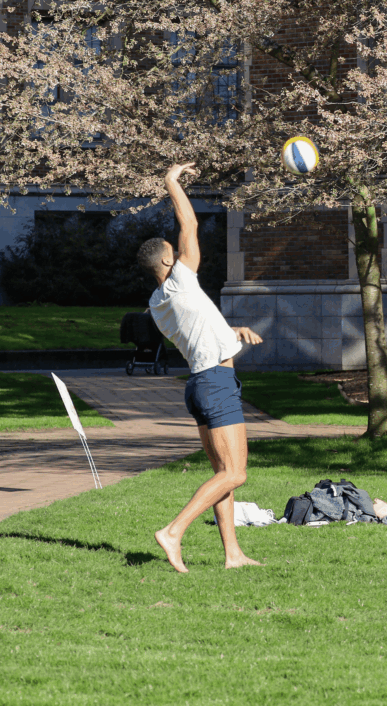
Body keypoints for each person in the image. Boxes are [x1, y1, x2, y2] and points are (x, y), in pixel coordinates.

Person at [144, 162, 266, 572]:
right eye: (173, 250)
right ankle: (173, 531)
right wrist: (171, 182)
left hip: (198, 386)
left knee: (222, 475)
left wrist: (232, 332)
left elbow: (196, 329)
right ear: (167, 260)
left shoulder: (158, 304)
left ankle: (233, 554)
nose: (179, 251)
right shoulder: (181, 280)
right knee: (236, 474)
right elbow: (189, 224)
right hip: (216, 383)